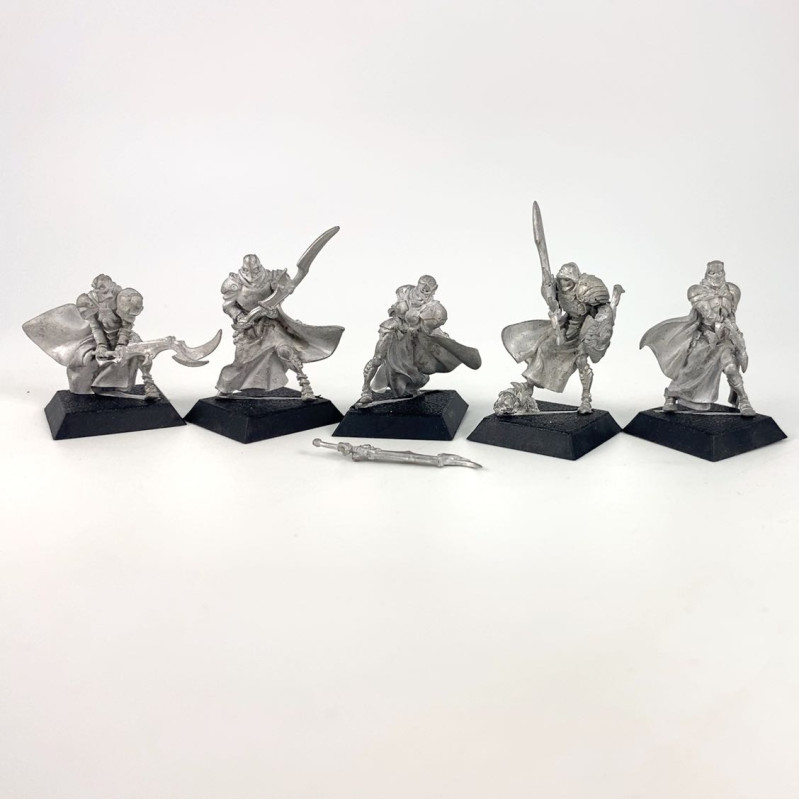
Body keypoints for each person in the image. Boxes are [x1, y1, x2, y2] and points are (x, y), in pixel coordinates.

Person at [216, 249, 343, 400]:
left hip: (270, 324)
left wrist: (274, 310)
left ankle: (305, 385)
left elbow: (279, 297)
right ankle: (225, 387)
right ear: (243, 268)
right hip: (249, 330)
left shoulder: (272, 278)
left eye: (255, 270)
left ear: (259, 266)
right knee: (241, 362)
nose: (252, 275)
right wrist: (239, 316)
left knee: (285, 350)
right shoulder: (234, 283)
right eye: (247, 271)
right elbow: (228, 305)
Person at [499, 262, 623, 415]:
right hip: (566, 328)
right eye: (561, 279)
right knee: (544, 348)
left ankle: (586, 399)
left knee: (581, 361)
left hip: (584, 330)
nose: (563, 283)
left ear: (574, 280)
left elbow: (603, 309)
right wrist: (552, 306)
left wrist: (598, 327)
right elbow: (552, 302)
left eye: (567, 280)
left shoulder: (588, 288)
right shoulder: (557, 289)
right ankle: (529, 385)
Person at [640, 260, 754, 415]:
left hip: (723, 340)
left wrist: (736, 337)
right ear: (707, 273)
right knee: (689, 370)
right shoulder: (697, 291)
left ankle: (744, 400)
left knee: (731, 368)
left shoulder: (732, 290)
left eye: (720, 272)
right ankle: (671, 395)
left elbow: (731, 314)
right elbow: (709, 315)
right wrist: (722, 325)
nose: (716, 276)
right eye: (712, 273)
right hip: (705, 338)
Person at [23, 273, 159, 398]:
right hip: (97, 337)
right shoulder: (88, 301)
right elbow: (95, 326)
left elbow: (126, 326)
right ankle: (89, 385)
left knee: (141, 350)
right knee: (82, 359)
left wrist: (121, 344)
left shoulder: (125, 298)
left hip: (121, 336)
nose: (107, 295)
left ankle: (148, 382)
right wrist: (101, 345)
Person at [358, 275, 481, 406]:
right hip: (395, 326)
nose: (425, 293)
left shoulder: (433, 306)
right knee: (377, 358)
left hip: (414, 334)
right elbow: (394, 309)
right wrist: (398, 314)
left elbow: (434, 324)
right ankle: (366, 390)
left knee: (414, 365)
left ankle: (410, 386)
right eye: (423, 288)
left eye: (429, 290)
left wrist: (432, 331)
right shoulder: (405, 291)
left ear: (434, 290)